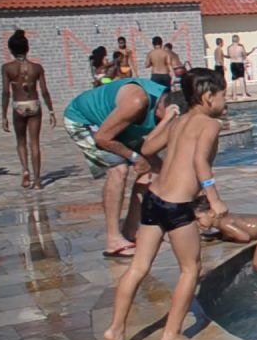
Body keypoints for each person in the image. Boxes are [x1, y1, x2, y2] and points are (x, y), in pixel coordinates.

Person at [103, 69, 228, 340]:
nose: (225, 100)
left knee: (138, 267)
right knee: (190, 269)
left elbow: (147, 147)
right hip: (177, 207)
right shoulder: (210, 124)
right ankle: (172, 333)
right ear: (208, 97)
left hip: (153, 199)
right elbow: (200, 162)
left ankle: (116, 329)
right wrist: (214, 198)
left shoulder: (180, 121)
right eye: (223, 95)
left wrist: (168, 119)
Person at [63, 77, 185, 257]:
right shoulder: (137, 102)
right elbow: (103, 138)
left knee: (157, 169)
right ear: (167, 110)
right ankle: (113, 240)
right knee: (118, 170)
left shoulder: (164, 100)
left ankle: (130, 230)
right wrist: (134, 157)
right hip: (86, 121)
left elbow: (152, 148)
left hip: (118, 125)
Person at [0, 30, 56, 189]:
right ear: (27, 48)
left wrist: (3, 115)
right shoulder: (37, 68)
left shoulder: (7, 68)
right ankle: (38, 181)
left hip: (18, 104)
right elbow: (45, 91)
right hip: (34, 104)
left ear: (11, 49)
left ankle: (25, 170)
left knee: (21, 141)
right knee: (35, 143)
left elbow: (5, 92)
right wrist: (51, 110)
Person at [226, 34, 255, 99]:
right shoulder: (240, 47)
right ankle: (244, 94)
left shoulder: (229, 47)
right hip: (239, 63)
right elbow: (245, 55)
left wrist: (224, 56)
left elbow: (228, 56)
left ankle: (234, 95)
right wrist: (252, 51)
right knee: (241, 79)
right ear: (238, 40)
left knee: (234, 80)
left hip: (232, 64)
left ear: (232, 40)